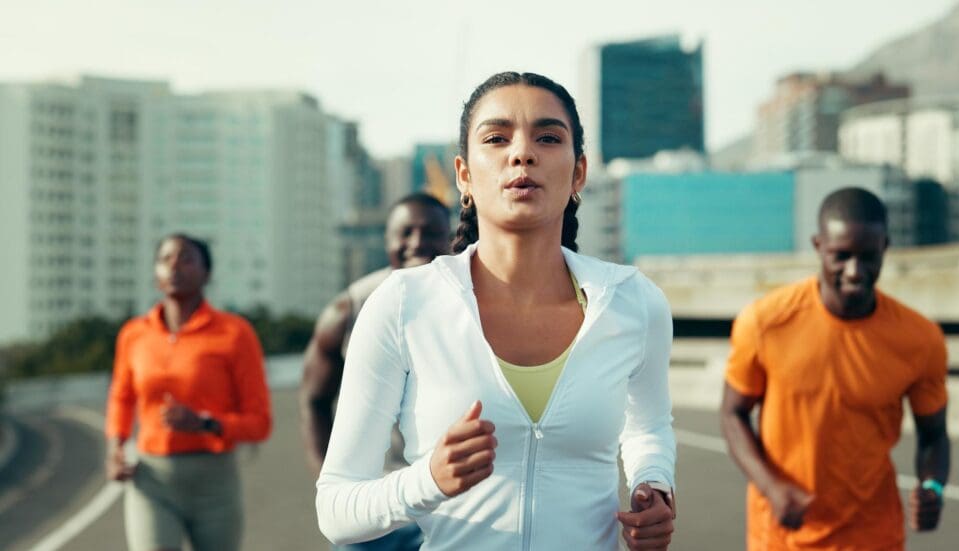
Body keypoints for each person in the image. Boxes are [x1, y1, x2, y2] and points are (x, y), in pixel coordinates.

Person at [315, 72, 677, 551]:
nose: (522, 153)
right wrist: (427, 481)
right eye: (496, 138)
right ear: (464, 174)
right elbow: (335, 511)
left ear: (579, 173)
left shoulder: (634, 301)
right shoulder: (404, 303)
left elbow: (648, 425)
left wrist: (652, 483)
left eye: (548, 137)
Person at [720, 187, 951, 550]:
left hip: (874, 536)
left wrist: (932, 485)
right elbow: (733, 414)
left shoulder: (920, 339)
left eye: (868, 257)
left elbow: (934, 435)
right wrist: (772, 488)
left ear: (885, 247)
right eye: (841, 256)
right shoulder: (765, 322)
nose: (855, 271)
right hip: (780, 537)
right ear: (818, 246)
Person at [300, 192, 451, 550]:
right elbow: (314, 400)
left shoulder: (477, 304)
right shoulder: (349, 308)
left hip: (450, 504)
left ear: (452, 239)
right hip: (373, 505)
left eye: (431, 232)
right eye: (406, 232)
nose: (417, 242)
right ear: (387, 241)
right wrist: (329, 481)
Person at [105, 233, 273, 551]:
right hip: (152, 479)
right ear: (156, 274)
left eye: (186, 258)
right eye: (165, 259)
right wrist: (115, 447)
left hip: (215, 483)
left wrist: (205, 423)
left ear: (206, 273)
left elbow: (260, 422)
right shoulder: (134, 335)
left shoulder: (235, 334)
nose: (175, 267)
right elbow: (121, 397)